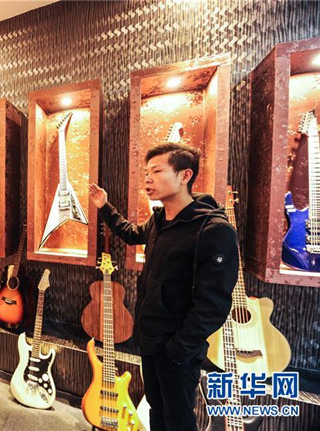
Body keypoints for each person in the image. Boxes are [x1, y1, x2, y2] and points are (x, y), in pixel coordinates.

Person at [88, 143, 239, 431]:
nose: (148, 179)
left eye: (157, 171)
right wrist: (104, 206)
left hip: (178, 349)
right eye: (146, 172)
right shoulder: (159, 219)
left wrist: (178, 349)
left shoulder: (214, 230)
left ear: (185, 175)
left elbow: (214, 305)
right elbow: (130, 234)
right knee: (156, 410)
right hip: (150, 339)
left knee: (178, 420)